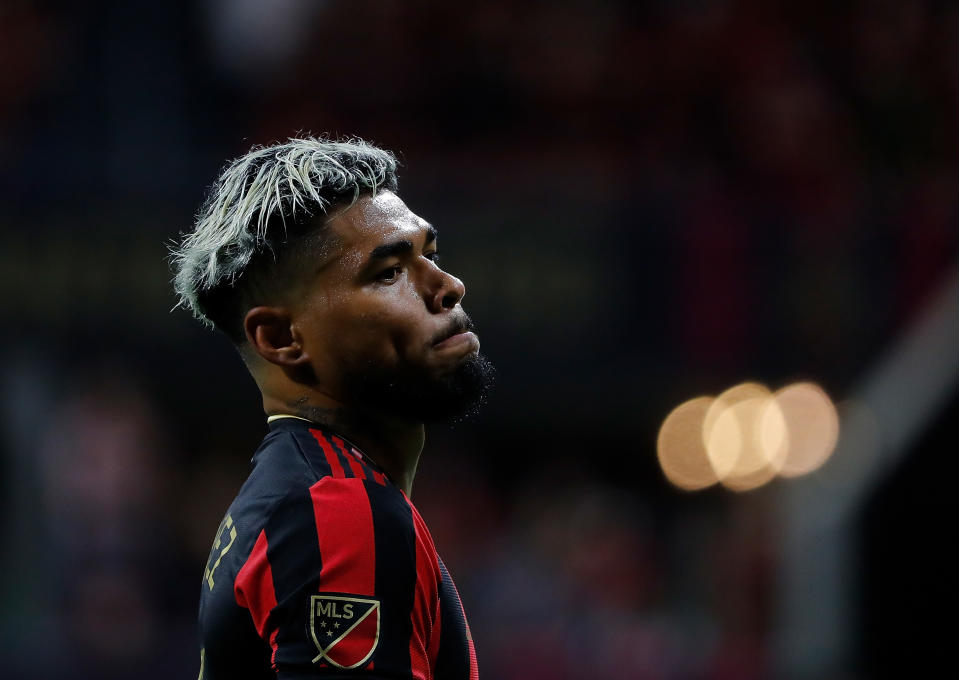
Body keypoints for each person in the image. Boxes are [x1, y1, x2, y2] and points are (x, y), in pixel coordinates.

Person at [171, 137, 494, 679]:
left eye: (430, 257)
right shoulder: (335, 509)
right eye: (388, 273)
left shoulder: (295, 497)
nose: (449, 287)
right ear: (280, 337)